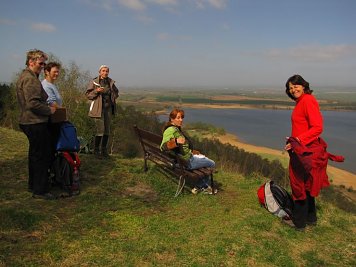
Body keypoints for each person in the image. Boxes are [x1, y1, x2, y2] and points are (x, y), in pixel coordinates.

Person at [284, 74, 344, 230]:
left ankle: (299, 223)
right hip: (303, 149)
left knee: (298, 184)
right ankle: (311, 218)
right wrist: (294, 141)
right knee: (307, 185)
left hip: (305, 151)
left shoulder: (308, 101)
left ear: (303, 85)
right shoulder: (301, 102)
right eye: (290, 88)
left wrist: (297, 141)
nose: (293, 89)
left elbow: (317, 127)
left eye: (295, 86)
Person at [16, 49, 57, 200]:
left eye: (44, 63)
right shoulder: (30, 79)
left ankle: (33, 185)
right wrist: (50, 110)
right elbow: (33, 104)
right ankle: (40, 190)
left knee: (35, 155)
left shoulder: (27, 76)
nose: (43, 66)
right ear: (31, 62)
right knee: (42, 155)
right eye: (40, 63)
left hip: (29, 121)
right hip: (35, 122)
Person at [160, 109, 217, 194]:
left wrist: (192, 151)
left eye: (182, 117)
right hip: (186, 162)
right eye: (178, 118)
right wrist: (176, 141)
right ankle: (200, 186)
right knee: (212, 163)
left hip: (181, 160)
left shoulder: (174, 128)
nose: (181, 120)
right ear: (172, 119)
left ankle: (201, 184)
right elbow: (164, 146)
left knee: (202, 158)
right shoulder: (171, 130)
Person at [85, 65, 119, 158]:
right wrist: (97, 91)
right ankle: (96, 151)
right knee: (100, 130)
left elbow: (116, 92)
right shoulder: (94, 82)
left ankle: (104, 151)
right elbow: (88, 95)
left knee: (107, 130)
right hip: (98, 110)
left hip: (108, 109)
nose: (105, 72)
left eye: (107, 71)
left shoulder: (110, 82)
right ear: (99, 72)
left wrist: (113, 96)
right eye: (103, 71)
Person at [42, 62, 63, 160]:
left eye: (58, 72)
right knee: (51, 145)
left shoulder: (51, 85)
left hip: (55, 119)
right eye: (55, 72)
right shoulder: (46, 86)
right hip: (51, 119)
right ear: (47, 72)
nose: (57, 74)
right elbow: (51, 103)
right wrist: (64, 113)